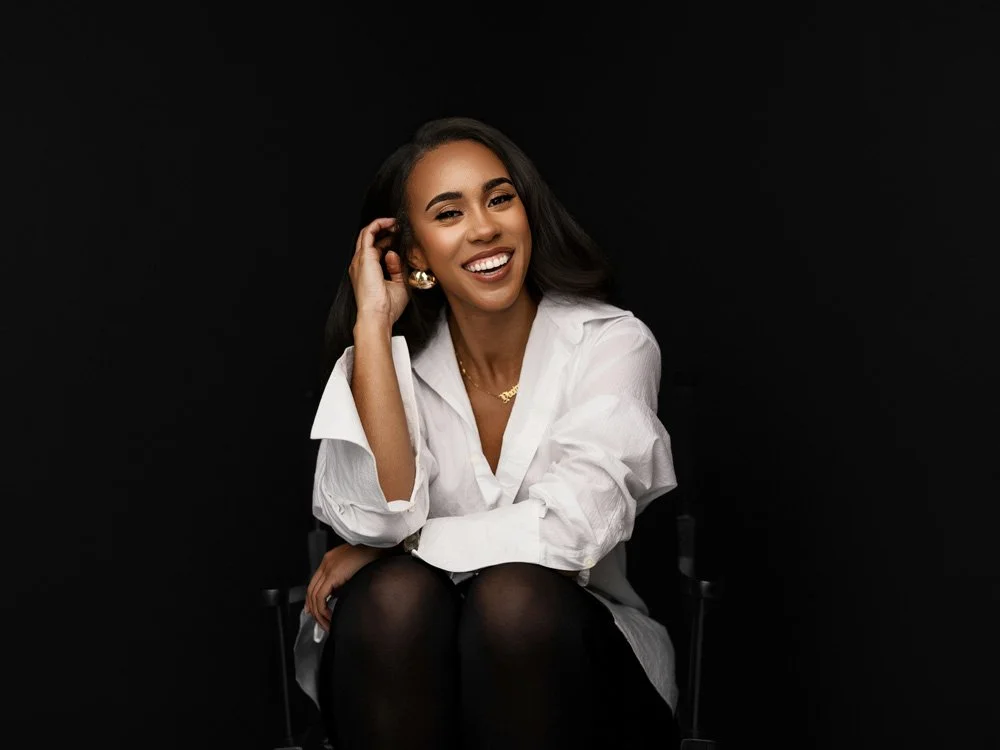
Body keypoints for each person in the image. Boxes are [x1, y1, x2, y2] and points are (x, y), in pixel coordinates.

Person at [293, 116, 681, 750]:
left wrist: (409, 545)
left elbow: (574, 529)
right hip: (412, 670)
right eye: (448, 214)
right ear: (413, 255)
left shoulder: (610, 342)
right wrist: (372, 326)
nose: (484, 228)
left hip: (575, 667)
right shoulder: (388, 366)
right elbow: (372, 521)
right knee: (393, 598)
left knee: (513, 599)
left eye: (499, 199)